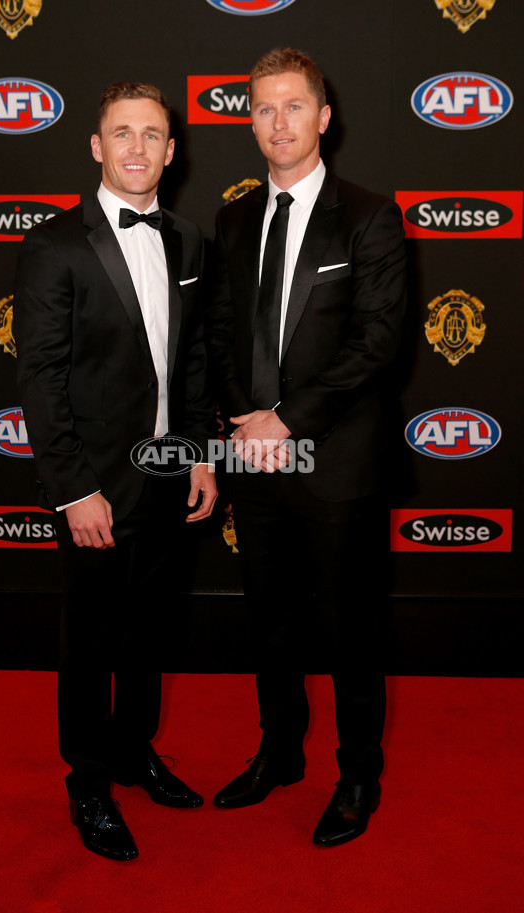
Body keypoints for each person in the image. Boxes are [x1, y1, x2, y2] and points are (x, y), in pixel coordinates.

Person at [207, 48, 406, 847]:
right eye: (263, 109)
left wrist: (286, 419)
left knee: (350, 629)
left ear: (324, 118)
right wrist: (241, 419)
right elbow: (222, 333)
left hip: (336, 462)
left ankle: (358, 773)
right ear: (249, 120)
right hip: (256, 462)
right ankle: (280, 751)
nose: (278, 123)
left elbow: (377, 343)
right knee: (271, 622)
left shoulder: (368, 215)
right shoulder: (232, 218)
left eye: (293, 107)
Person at [14, 82, 217, 861]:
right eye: (122, 133)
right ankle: (88, 779)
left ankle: (133, 751)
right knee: (92, 639)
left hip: (168, 475)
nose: (138, 148)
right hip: (95, 486)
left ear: (172, 149)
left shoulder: (188, 240)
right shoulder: (55, 244)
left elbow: (190, 358)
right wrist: (73, 489)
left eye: (153, 135)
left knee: (148, 632)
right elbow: (41, 379)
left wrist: (199, 451)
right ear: (97, 147)